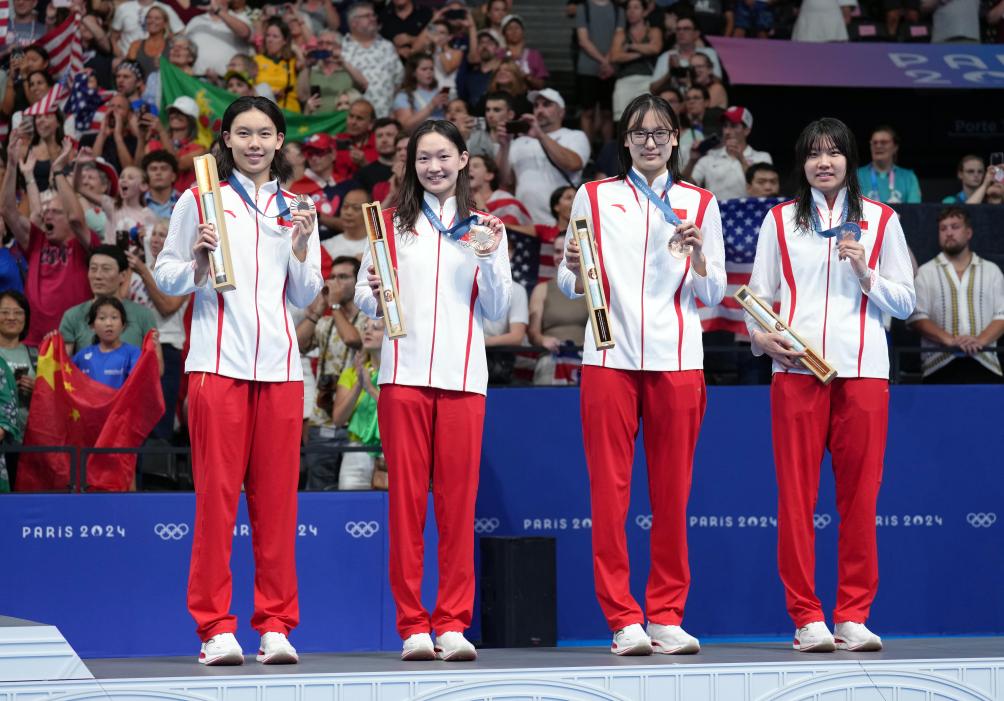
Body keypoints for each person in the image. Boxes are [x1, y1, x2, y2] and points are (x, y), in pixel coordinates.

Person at [154, 96, 322, 666]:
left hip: (280, 371)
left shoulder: (299, 207)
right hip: (216, 369)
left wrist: (300, 246)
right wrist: (198, 263)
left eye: (264, 134)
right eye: (242, 133)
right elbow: (167, 275)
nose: (254, 143)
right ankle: (214, 628)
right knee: (217, 504)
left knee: (278, 506)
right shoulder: (199, 199)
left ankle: (275, 625)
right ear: (225, 140)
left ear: (280, 142)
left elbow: (307, 293)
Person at [557, 94, 725, 656]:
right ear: (625, 140)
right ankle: (623, 617)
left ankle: (667, 614)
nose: (649, 141)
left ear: (675, 139)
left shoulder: (700, 202)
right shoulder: (595, 196)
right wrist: (576, 271)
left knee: (673, 494)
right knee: (610, 494)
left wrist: (699, 259)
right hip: (610, 359)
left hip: (678, 362)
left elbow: (714, 293)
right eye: (639, 133)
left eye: (660, 133)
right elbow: (567, 280)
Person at [745, 117, 915, 653]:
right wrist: (762, 341)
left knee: (861, 500)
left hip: (863, 373)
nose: (825, 162)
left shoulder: (883, 221)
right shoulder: (779, 220)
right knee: (796, 499)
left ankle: (853, 614)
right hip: (796, 373)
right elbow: (758, 298)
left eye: (834, 153)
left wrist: (867, 274)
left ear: (850, 160)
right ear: (803, 162)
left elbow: (907, 303)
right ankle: (806, 617)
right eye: (815, 153)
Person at [354, 120, 511, 661]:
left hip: (464, 380)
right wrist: (372, 290)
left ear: (464, 159)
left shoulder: (488, 228)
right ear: (411, 165)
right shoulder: (390, 224)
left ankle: (451, 623)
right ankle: (412, 624)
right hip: (403, 379)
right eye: (423, 158)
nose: (434, 167)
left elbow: (497, 312)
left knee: (457, 507)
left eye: (443, 156)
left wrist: (488, 260)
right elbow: (364, 300)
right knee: (405, 506)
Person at [2, 134, 98, 347]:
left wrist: (57, 171)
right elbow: (8, 211)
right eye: (46, 211)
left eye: (55, 212)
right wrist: (11, 164)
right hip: (34, 340)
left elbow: (75, 217)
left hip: (73, 341)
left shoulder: (85, 243)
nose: (47, 215)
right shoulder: (37, 240)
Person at [908, 207, 1004, 383]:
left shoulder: (992, 271)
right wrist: (951, 341)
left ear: (968, 232)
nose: (949, 233)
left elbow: (1002, 315)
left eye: (955, 226)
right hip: (938, 365)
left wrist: (980, 341)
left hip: (986, 362)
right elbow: (916, 317)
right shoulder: (925, 272)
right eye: (943, 229)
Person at [297, 256, 366, 490]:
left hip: (357, 422)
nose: (335, 283)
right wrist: (316, 311)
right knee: (317, 492)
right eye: (332, 277)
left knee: (352, 492)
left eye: (343, 277)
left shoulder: (370, 319)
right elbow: (297, 344)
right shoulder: (325, 322)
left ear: (358, 283)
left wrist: (334, 305)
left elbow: (353, 340)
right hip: (321, 421)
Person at [498, 88, 591, 225]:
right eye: (536, 106)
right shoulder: (518, 142)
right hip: (526, 223)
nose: (539, 110)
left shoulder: (574, 136)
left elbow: (574, 164)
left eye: (546, 104)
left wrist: (540, 135)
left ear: (561, 112)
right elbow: (505, 181)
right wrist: (504, 146)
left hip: (562, 222)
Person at [330, 318, 384, 489]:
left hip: (389, 452)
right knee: (350, 508)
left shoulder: (399, 376)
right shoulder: (351, 374)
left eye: (376, 328)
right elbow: (338, 419)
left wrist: (370, 388)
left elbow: (401, 414)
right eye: (365, 327)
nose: (368, 331)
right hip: (356, 452)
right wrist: (359, 385)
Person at [687, 106, 772, 202]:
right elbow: (685, 189)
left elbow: (765, 190)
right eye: (725, 126)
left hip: (750, 214)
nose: (727, 131)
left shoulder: (762, 157)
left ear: (747, 130)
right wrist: (692, 161)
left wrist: (741, 159)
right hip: (717, 215)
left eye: (734, 126)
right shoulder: (709, 158)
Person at [342, 1, 406, 118]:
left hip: (384, 118)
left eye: (373, 15)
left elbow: (399, 81)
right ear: (353, 22)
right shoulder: (342, 49)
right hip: (353, 120)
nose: (372, 19)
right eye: (367, 16)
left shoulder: (387, 46)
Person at [0, 291, 36, 491]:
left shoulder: (37, 355)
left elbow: (51, 400)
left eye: (18, 312)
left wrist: (36, 391)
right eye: (4, 312)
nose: (11, 317)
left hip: (29, 443)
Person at [72, 296, 145, 390]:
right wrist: (52, 345)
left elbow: (141, 383)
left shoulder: (133, 353)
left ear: (123, 325)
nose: (109, 323)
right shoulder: (82, 356)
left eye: (114, 317)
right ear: (92, 326)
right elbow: (63, 374)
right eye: (102, 318)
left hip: (122, 405)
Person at [609, 0, 663, 121]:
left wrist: (630, 47)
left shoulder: (653, 31)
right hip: (624, 80)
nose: (631, 12)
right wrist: (642, 53)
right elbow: (615, 56)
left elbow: (655, 48)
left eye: (636, 8)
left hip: (647, 80)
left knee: (645, 119)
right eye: (628, 8)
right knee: (621, 120)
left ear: (644, 12)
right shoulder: (621, 34)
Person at [857, 126, 921, 205]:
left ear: (895, 147)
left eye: (884, 142)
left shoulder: (909, 177)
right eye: (874, 142)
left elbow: (914, 211)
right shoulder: (857, 175)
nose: (878, 146)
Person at [393, 53, 450, 133]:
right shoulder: (403, 96)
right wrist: (431, 106)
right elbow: (405, 126)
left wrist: (449, 109)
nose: (429, 72)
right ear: (413, 72)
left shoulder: (438, 92)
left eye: (431, 69)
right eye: (424, 69)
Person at [255, 18, 301, 112]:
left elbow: (305, 65)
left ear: (284, 41)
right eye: (268, 36)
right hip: (264, 111)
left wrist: (296, 49)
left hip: (289, 112)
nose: (270, 40)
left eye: (275, 36)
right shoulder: (256, 60)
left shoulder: (292, 61)